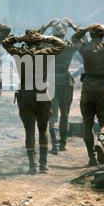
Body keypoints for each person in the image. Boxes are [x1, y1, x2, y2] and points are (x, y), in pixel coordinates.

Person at [2, 29, 65, 174]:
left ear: (26, 41)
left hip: (25, 94)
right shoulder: (46, 52)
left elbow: (5, 42)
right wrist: (46, 37)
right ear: (39, 41)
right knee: (43, 130)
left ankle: (32, 166)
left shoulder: (20, 53)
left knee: (29, 130)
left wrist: (20, 38)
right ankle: (43, 165)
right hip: (42, 92)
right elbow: (61, 44)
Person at [66, 20, 104, 166]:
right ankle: (101, 142)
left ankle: (91, 157)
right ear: (102, 35)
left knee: (87, 124)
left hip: (88, 90)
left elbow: (74, 38)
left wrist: (85, 28)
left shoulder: (85, 48)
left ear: (91, 34)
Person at [39, 19, 78, 154]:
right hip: (66, 81)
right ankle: (63, 144)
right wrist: (74, 26)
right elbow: (83, 39)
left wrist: (46, 25)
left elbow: (34, 37)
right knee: (65, 114)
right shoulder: (69, 46)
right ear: (64, 34)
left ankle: (54, 145)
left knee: (51, 115)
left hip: (50, 81)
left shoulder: (47, 46)